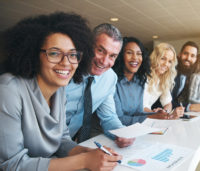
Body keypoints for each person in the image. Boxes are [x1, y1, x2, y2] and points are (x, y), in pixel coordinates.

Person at [0, 12, 121, 171]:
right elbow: (11, 165)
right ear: (34, 54)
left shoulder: (59, 91)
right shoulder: (8, 90)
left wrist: (88, 152)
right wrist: (84, 161)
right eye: (54, 53)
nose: (66, 63)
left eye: (73, 54)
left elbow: (61, 140)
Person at [65, 23, 135, 147]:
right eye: (100, 50)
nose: (104, 61)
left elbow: (108, 117)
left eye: (112, 56)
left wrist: (121, 133)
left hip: (68, 145)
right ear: (88, 45)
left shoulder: (110, 78)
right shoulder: (65, 69)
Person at [113, 37, 173, 125]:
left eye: (139, 54)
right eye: (163, 58)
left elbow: (138, 112)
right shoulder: (114, 81)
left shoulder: (138, 80)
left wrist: (162, 113)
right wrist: (153, 115)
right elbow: (118, 119)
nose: (135, 57)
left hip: (134, 127)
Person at [143, 43, 184, 119]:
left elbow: (168, 103)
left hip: (147, 118)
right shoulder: (143, 76)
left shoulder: (163, 79)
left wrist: (165, 112)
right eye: (163, 58)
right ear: (155, 57)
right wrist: (155, 114)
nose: (166, 64)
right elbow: (140, 107)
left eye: (169, 61)